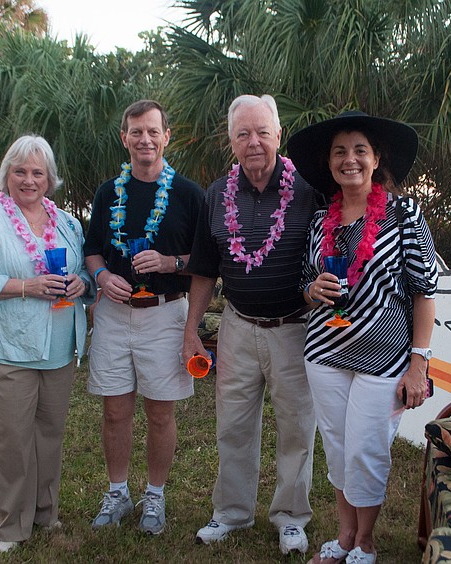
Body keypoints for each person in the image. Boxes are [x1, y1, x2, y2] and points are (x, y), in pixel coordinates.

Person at [286, 110, 438, 564]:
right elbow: (303, 282)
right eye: (339, 152)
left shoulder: (402, 213)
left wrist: (419, 363)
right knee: (337, 447)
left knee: (367, 450)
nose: (349, 159)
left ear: (376, 160)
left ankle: (365, 543)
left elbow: (425, 292)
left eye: (359, 151)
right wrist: (311, 290)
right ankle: (345, 536)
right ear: (329, 164)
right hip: (325, 353)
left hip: (385, 357)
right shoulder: (320, 222)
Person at [183, 94, 324, 555]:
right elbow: (205, 269)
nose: (254, 142)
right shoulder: (214, 196)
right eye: (243, 134)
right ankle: (231, 512)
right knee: (233, 425)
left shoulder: (310, 189)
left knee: (297, 428)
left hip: (295, 328)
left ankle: (290, 517)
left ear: (278, 135)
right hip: (237, 327)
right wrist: (191, 331)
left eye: (262, 131)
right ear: (231, 141)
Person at [0, 134, 90, 553]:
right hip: (5, 347)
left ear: (49, 179)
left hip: (58, 346)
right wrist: (24, 286)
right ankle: (12, 524)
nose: (29, 180)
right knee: (12, 438)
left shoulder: (67, 223)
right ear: (6, 175)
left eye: (37, 173)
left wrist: (82, 281)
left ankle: (46, 512)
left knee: (50, 433)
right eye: (20, 171)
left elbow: (81, 267)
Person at [84, 100, 203, 535]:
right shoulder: (106, 193)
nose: (145, 139)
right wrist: (100, 275)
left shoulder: (189, 194)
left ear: (166, 136)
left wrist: (171, 262)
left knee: (159, 413)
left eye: (153, 131)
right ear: (124, 138)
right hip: (115, 314)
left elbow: (207, 261)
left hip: (166, 314)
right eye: (136, 132)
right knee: (115, 411)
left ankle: (155, 496)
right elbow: (93, 246)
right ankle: (118, 492)